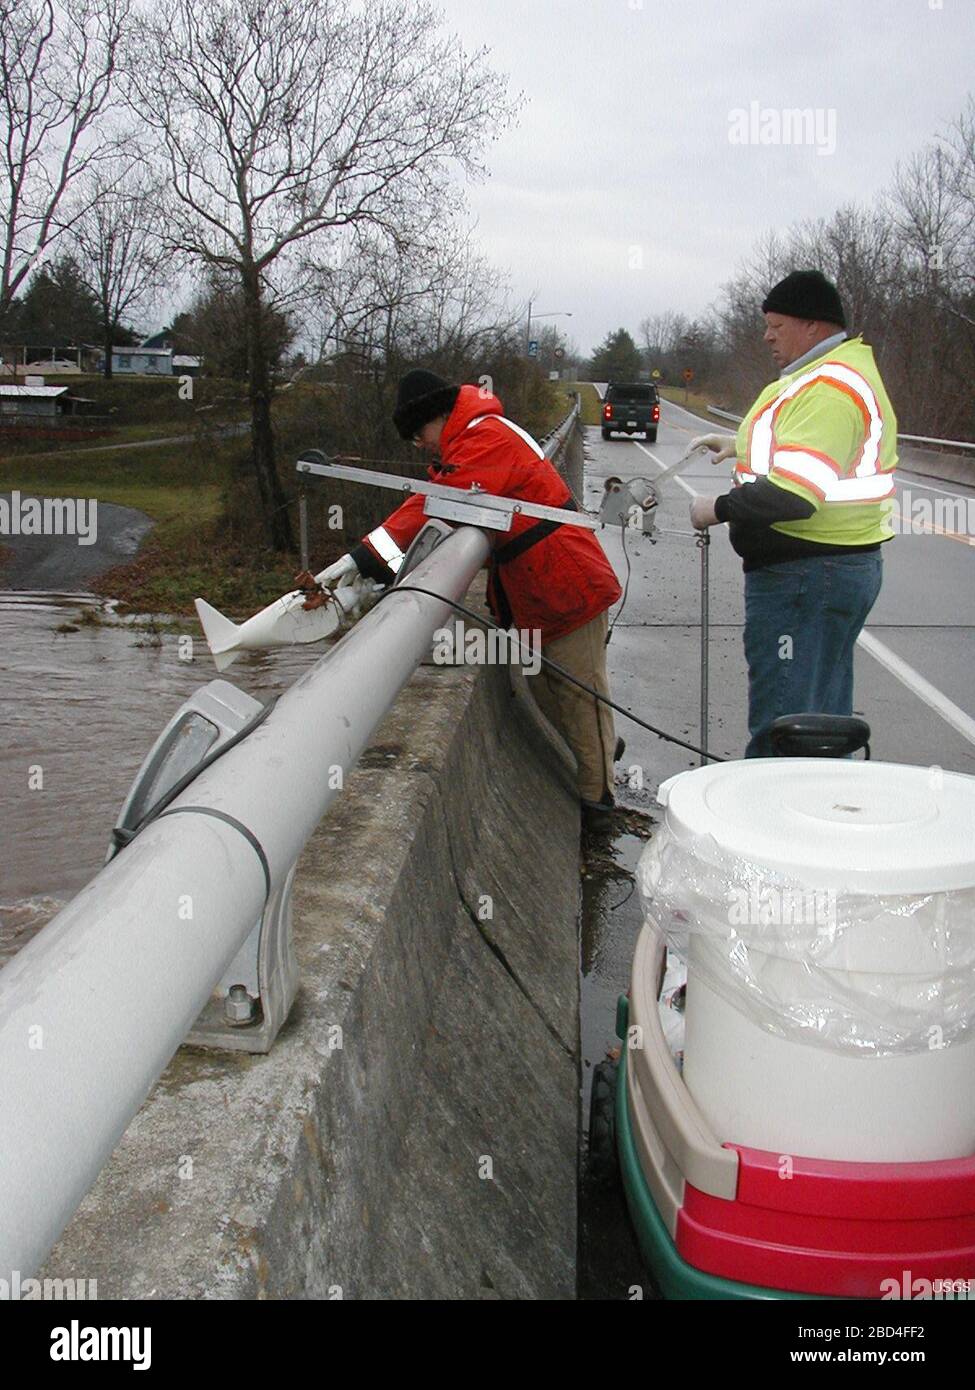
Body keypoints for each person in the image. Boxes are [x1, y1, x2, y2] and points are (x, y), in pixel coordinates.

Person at [298, 369, 623, 831]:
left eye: (419, 434)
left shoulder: (483, 439)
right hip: (541, 589)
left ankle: (600, 803)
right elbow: (441, 498)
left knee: (577, 693)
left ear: (439, 417)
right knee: (544, 686)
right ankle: (603, 752)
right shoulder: (477, 437)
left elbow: (438, 503)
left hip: (567, 585)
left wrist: (367, 556)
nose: (420, 446)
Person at [688, 270, 897, 757]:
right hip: (823, 574)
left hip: (806, 579)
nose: (766, 336)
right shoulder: (826, 375)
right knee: (818, 719)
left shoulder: (829, 387)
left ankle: (773, 823)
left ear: (812, 326)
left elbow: (795, 494)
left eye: (775, 326)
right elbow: (800, 440)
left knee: (785, 727)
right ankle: (822, 813)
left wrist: (715, 509)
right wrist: (737, 443)